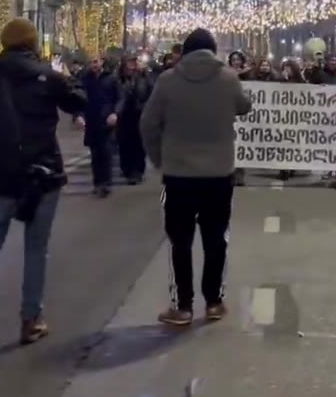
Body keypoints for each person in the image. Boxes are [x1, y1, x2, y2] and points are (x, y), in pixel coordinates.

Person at [0, 18, 88, 344]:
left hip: (1, 173)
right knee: (36, 248)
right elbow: (78, 101)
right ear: (31, 42)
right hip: (43, 173)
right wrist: (66, 77)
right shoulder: (47, 76)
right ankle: (31, 319)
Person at [140, 28, 253, 326]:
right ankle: (214, 302)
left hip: (178, 176)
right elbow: (244, 106)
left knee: (180, 241)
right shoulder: (229, 78)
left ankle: (184, 306)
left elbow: (148, 124)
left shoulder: (167, 81)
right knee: (216, 239)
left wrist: (159, 159)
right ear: (213, 50)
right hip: (219, 175)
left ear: (185, 51)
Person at [77, 56, 121, 197]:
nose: (93, 65)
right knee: (95, 154)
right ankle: (97, 183)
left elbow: (120, 97)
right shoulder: (86, 79)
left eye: (96, 61)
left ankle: (106, 183)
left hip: (107, 120)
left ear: (102, 62)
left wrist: (115, 113)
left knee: (106, 152)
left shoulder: (111, 78)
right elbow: (78, 98)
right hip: (92, 120)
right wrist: (78, 115)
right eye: (91, 62)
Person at [115, 55, 150, 185]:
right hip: (123, 117)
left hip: (139, 115)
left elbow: (150, 95)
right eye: (128, 64)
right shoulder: (118, 80)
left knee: (138, 145)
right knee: (124, 145)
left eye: (132, 63)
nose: (130, 66)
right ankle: (127, 169)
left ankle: (137, 172)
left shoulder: (143, 78)